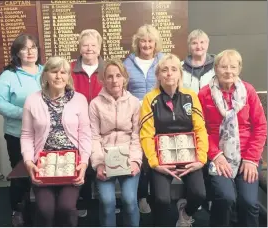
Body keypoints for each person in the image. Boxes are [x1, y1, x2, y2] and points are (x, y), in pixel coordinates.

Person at [198, 49, 267, 227]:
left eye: (233, 67)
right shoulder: (204, 94)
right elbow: (200, 129)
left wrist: (251, 159)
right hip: (217, 155)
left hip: (247, 156)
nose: (228, 71)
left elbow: (260, 127)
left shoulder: (249, 91)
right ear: (216, 68)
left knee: (249, 202)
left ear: (239, 69)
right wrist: (216, 155)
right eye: (224, 67)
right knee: (226, 198)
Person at [20, 56, 91, 226]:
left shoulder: (79, 99)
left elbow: (85, 134)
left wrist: (84, 163)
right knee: (45, 210)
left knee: (66, 208)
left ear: (68, 76)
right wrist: (29, 162)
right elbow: (27, 135)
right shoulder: (32, 100)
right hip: (43, 162)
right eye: (54, 72)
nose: (58, 76)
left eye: (63, 72)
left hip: (72, 162)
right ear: (45, 75)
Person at [140, 54, 208, 227]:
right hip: (161, 158)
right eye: (164, 70)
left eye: (173, 69)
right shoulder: (150, 99)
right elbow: (146, 134)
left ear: (180, 74)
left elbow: (200, 128)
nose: (169, 73)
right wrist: (155, 163)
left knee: (199, 194)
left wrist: (201, 159)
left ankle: (185, 213)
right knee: (161, 199)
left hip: (189, 155)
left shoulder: (191, 96)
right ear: (158, 75)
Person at [0, 34, 43, 226]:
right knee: (21, 175)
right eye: (25, 48)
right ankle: (18, 210)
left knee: (42, 174)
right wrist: (25, 113)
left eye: (33, 47)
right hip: (17, 135)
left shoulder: (46, 71)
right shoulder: (9, 75)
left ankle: (40, 209)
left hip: (44, 136)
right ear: (17, 53)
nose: (30, 52)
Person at [89, 59, 142, 226]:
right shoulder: (95, 104)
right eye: (109, 76)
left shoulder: (134, 102)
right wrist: (98, 164)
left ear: (125, 78)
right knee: (107, 202)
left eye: (118, 75)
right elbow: (94, 137)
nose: (114, 80)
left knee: (129, 200)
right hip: (105, 159)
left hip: (129, 158)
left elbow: (137, 135)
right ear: (103, 80)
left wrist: (135, 161)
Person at [123, 24, 163, 213]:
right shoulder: (128, 63)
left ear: (156, 44)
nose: (146, 44)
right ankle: (142, 196)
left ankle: (159, 196)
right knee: (142, 157)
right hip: (136, 117)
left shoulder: (164, 61)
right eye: (143, 41)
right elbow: (122, 90)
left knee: (158, 154)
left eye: (150, 41)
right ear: (137, 43)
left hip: (161, 116)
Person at [71, 29, 104, 217]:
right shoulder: (70, 68)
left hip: (102, 123)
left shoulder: (107, 69)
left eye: (93, 45)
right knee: (82, 159)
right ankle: (83, 198)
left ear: (99, 49)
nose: (89, 48)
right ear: (80, 48)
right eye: (85, 45)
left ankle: (102, 196)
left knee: (100, 159)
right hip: (77, 124)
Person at [182, 29, 215, 94]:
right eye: (194, 43)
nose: (198, 46)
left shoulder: (216, 66)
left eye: (202, 42)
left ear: (207, 44)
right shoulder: (180, 67)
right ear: (189, 46)